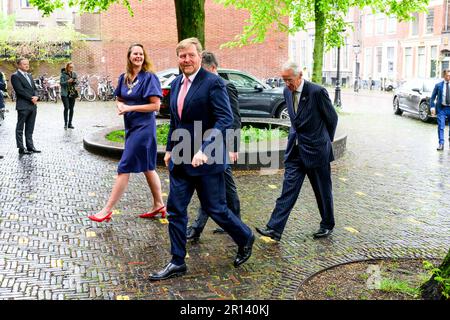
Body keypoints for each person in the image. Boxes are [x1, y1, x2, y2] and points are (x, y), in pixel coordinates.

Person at [149, 38, 254, 281]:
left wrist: (205, 149)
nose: (186, 60)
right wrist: (169, 149)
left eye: (190, 55)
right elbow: (176, 120)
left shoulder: (214, 83)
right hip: (182, 159)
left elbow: (225, 119)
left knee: (216, 209)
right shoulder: (175, 84)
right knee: (175, 210)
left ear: (199, 56)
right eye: (181, 56)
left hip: (208, 160)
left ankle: (245, 237)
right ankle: (177, 261)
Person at [255, 61, 338, 241]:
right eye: (283, 79)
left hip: (317, 151)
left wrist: (324, 142)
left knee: (322, 191)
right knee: (288, 190)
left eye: (289, 79)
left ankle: (327, 225)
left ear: (300, 76)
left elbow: (332, 118)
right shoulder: (286, 91)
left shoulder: (316, 92)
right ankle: (274, 229)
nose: (286, 83)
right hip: (295, 151)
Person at [88, 43, 166, 223]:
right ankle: (159, 204)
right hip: (131, 128)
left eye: (141, 54)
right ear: (129, 57)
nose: (138, 56)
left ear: (144, 57)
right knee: (148, 167)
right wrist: (120, 106)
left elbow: (156, 106)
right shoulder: (124, 78)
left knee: (124, 167)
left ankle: (107, 210)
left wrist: (131, 108)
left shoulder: (149, 77)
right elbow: (119, 98)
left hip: (144, 128)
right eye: (134, 54)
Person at [186, 50, 241, 241]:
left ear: (213, 68)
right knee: (212, 186)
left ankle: (230, 226)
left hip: (221, 147)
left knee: (224, 186)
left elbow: (233, 119)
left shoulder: (227, 86)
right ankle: (233, 225)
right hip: (206, 145)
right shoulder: (200, 85)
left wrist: (233, 147)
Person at [11, 58, 40, 155]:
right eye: (24, 64)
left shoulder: (29, 75)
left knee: (30, 127)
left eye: (27, 64)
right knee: (20, 128)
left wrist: (36, 96)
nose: (27, 66)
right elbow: (19, 90)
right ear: (19, 65)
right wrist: (31, 98)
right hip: (23, 106)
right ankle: (21, 148)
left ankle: (30, 146)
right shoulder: (15, 76)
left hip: (33, 106)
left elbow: (34, 88)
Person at [430, 69, 450, 151]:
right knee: (441, 126)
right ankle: (441, 143)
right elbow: (432, 98)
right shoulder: (438, 85)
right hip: (442, 108)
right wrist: (432, 107)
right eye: (448, 75)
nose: (449, 77)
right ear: (444, 76)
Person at [60, 62, 78, 129]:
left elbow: (77, 82)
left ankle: (70, 124)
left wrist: (75, 81)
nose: (71, 68)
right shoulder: (63, 74)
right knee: (66, 108)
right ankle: (65, 124)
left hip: (72, 93)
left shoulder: (74, 74)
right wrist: (68, 81)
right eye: (70, 67)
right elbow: (61, 83)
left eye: (72, 67)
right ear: (67, 67)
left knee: (71, 108)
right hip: (64, 94)